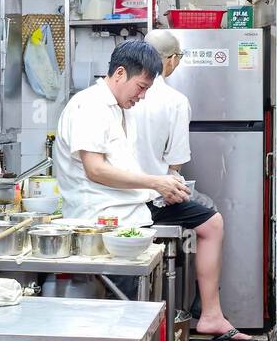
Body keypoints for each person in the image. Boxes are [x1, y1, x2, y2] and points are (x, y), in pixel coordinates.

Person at [131, 28, 251, 341]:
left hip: (114, 199)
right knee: (211, 221)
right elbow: (175, 166)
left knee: (201, 205)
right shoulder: (174, 100)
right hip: (149, 204)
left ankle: (195, 306)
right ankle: (209, 313)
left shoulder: (115, 93)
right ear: (169, 61)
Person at [53, 38, 189, 226]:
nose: (142, 96)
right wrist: (155, 182)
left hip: (127, 217)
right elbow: (96, 170)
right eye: (141, 87)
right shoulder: (90, 105)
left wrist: (159, 188)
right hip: (97, 222)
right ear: (119, 73)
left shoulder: (120, 109)